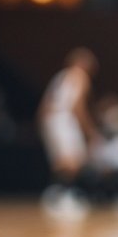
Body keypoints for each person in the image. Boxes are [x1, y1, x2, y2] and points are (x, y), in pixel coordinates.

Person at [38, 48, 100, 217]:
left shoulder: (60, 77)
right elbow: (77, 106)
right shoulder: (80, 76)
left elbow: (44, 106)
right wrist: (89, 130)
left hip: (52, 120)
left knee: (62, 163)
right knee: (74, 162)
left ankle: (57, 195)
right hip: (64, 119)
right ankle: (62, 197)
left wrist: (45, 126)